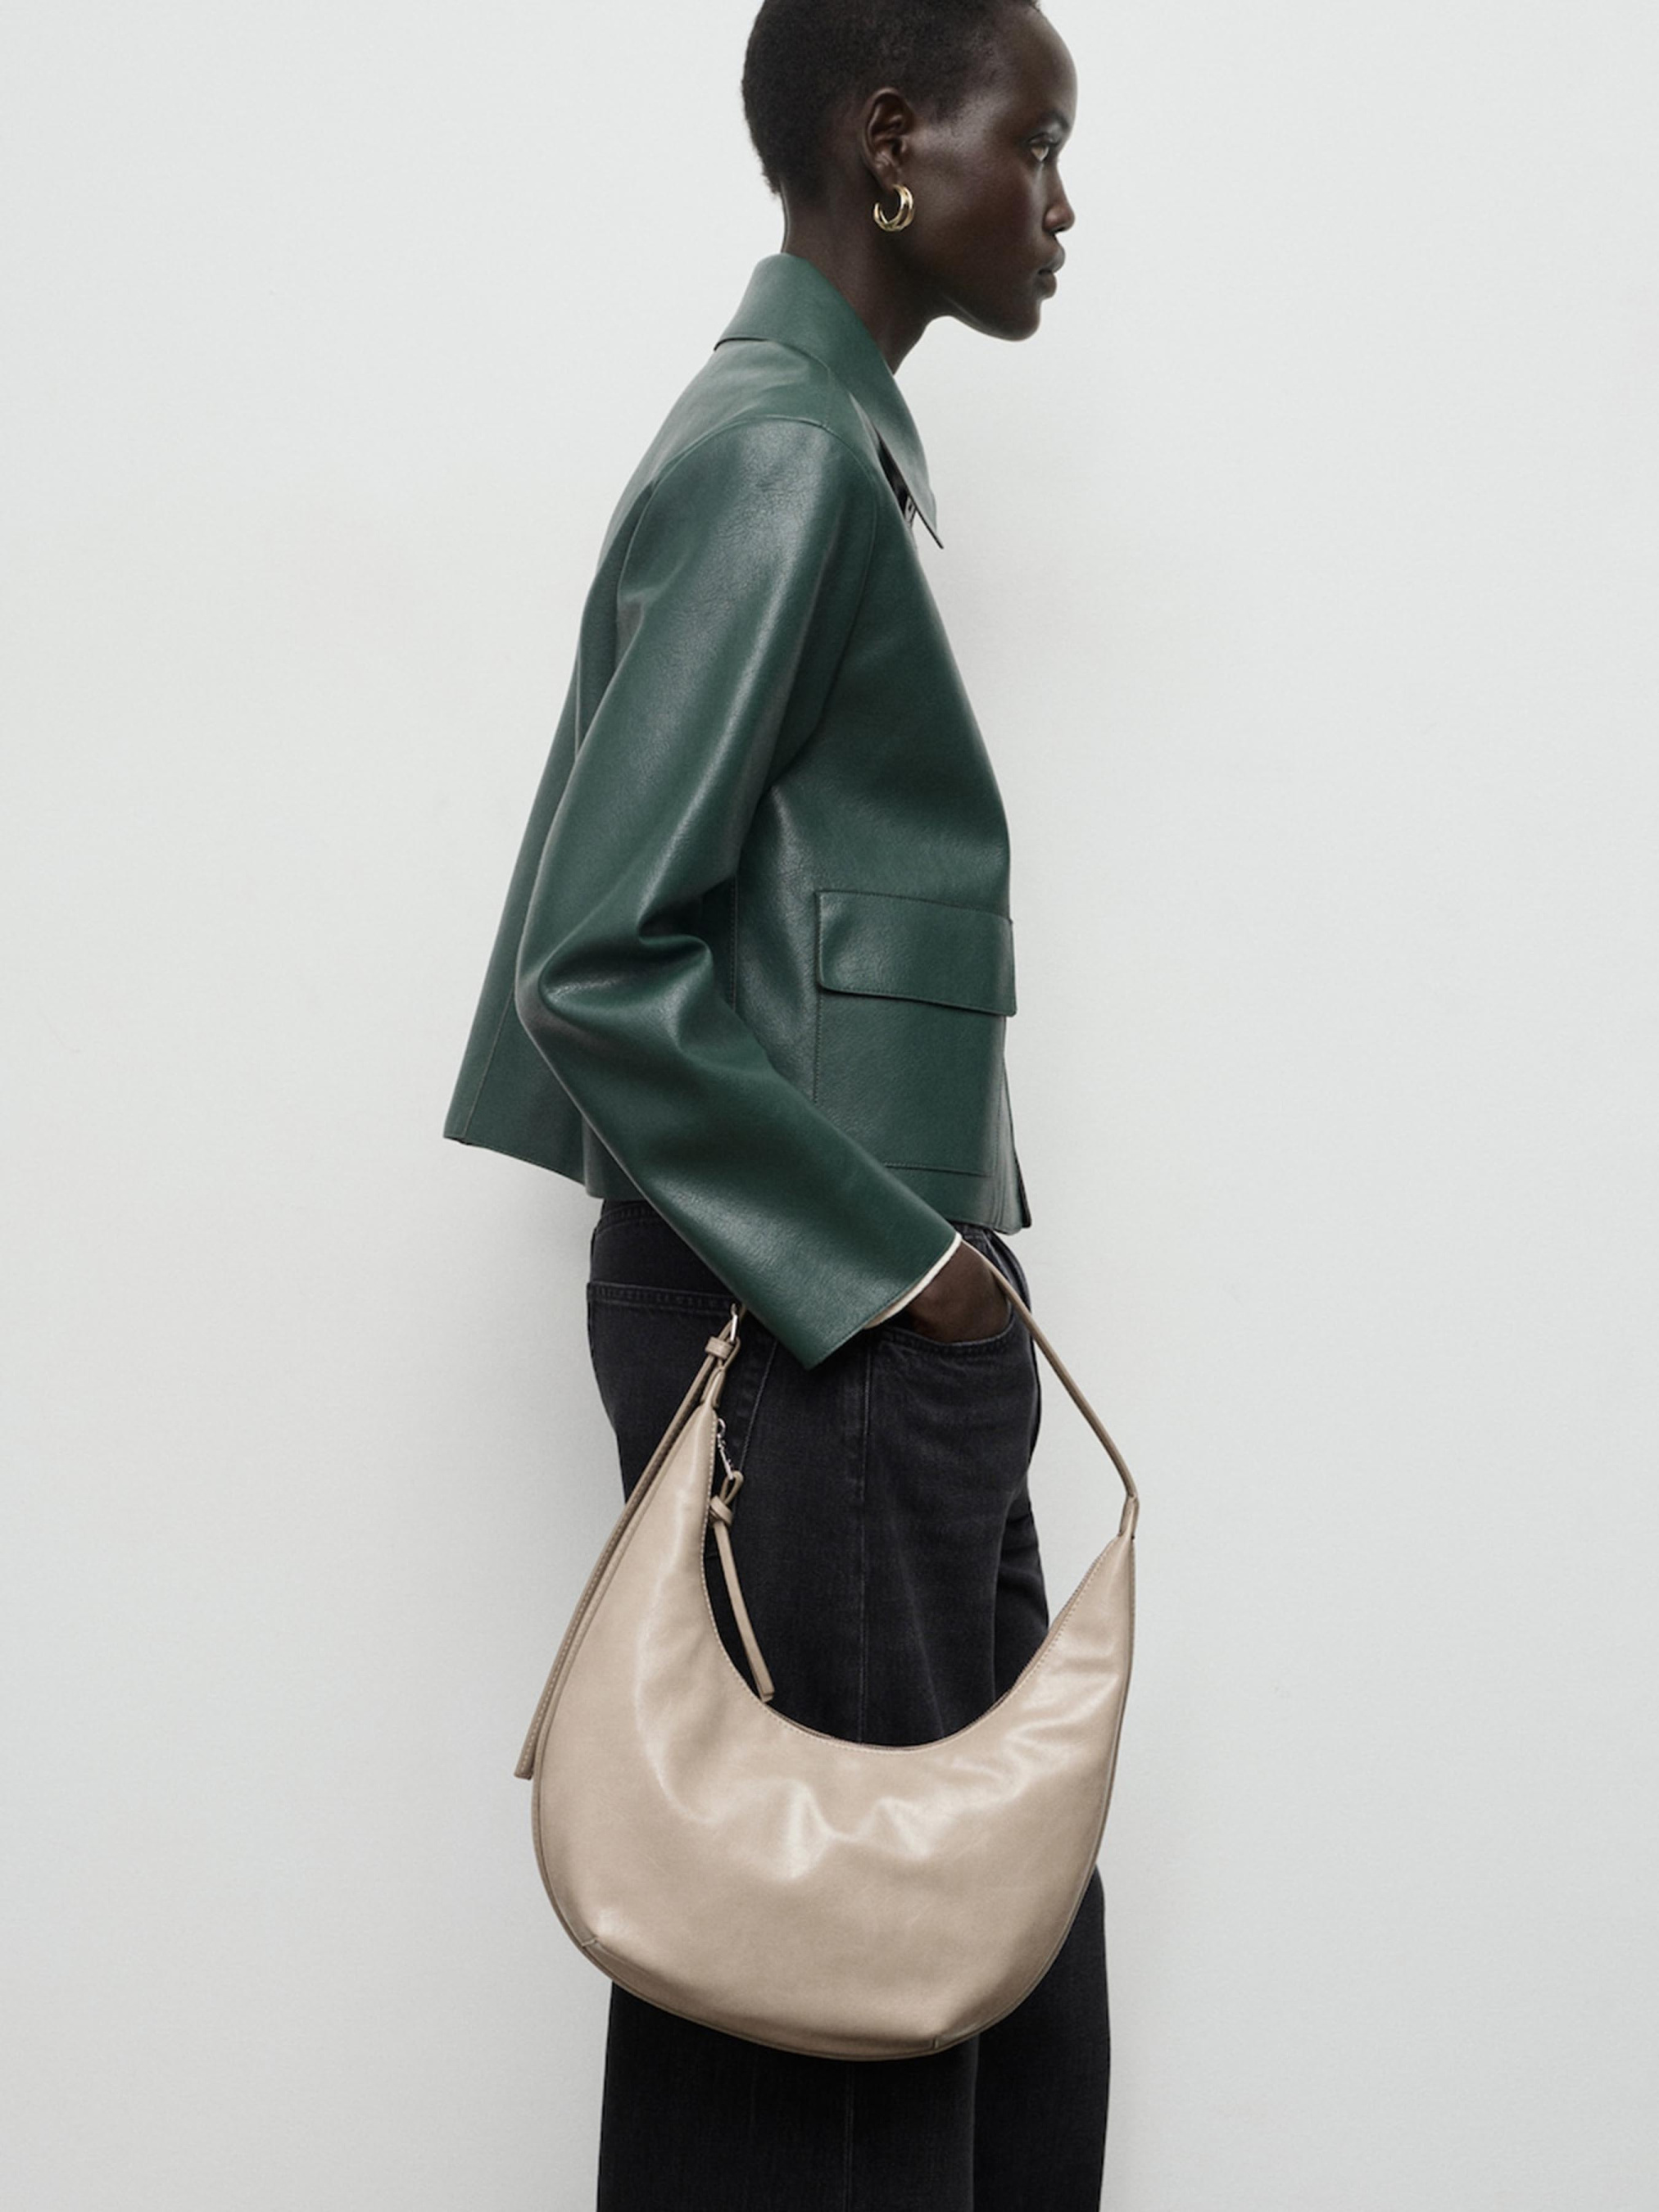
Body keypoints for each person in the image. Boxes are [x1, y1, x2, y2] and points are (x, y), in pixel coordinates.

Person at [444, 1, 1106, 2202]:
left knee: (936, 1939)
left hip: (856, 1332)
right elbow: (590, 960)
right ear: (894, 143)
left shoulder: (816, 445)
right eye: (1039, 143)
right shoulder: (782, 457)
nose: (1064, 205)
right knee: (839, 1983)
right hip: (818, 1332)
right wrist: (904, 1270)